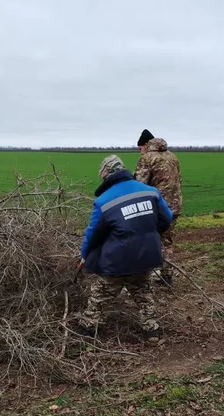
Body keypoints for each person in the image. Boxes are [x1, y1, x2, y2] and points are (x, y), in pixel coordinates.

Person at [78, 154, 173, 343]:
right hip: (146, 255)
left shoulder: (104, 202)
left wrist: (84, 255)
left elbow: (93, 234)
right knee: (143, 292)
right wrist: (149, 234)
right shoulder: (151, 192)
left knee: (100, 295)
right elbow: (167, 218)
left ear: (105, 175)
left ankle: (87, 331)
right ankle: (152, 332)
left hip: (117, 261)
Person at [134, 129, 182, 286]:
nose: (140, 151)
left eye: (140, 148)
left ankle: (144, 277)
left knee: (149, 240)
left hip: (156, 208)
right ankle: (167, 276)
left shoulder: (147, 159)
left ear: (146, 144)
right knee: (167, 241)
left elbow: (139, 186)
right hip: (174, 206)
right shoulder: (172, 157)